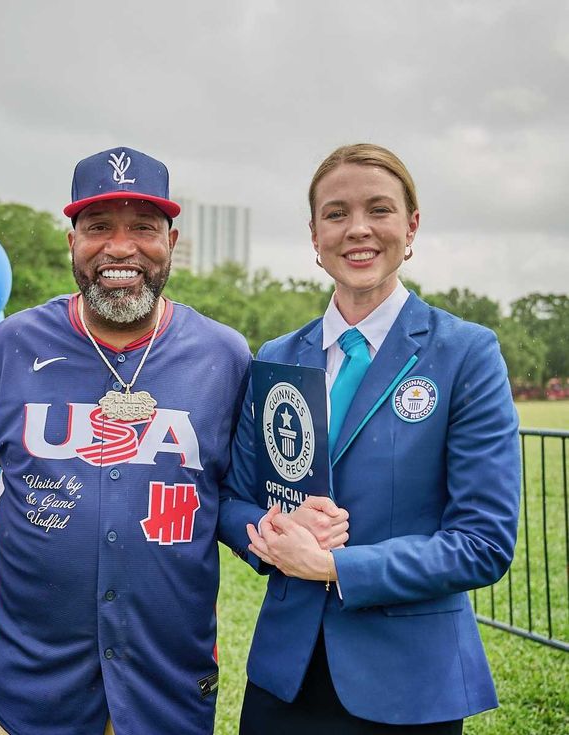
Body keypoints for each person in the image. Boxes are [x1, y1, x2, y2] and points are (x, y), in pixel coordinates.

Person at [0, 147, 252, 735]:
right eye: (98, 227)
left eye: (143, 228)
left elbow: (245, 500)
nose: (120, 247)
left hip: (165, 689)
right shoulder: (14, 344)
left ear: (172, 242)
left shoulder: (225, 357)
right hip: (25, 690)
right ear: (72, 239)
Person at [219, 143, 521, 733]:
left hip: (409, 683)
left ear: (410, 227)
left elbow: (483, 541)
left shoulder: (464, 354)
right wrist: (277, 533)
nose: (357, 229)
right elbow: (232, 502)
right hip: (285, 677)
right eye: (336, 214)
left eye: (378, 210)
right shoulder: (278, 358)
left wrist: (333, 565)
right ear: (314, 235)